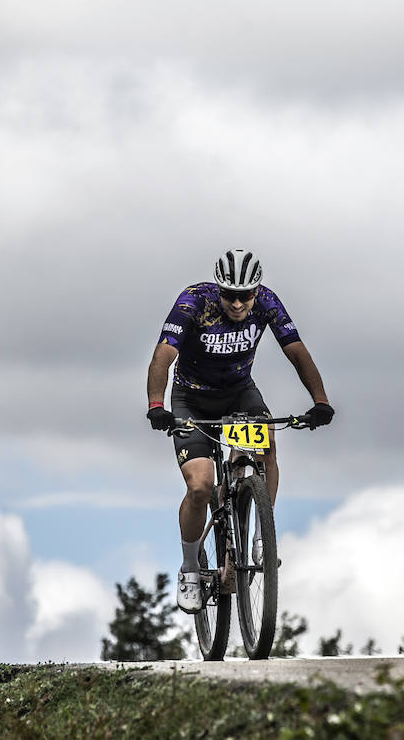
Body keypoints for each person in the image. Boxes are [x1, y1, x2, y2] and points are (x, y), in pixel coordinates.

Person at [146, 249, 334, 613]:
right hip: (192, 398)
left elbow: (296, 351)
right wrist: (157, 405)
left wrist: (320, 400)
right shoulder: (193, 302)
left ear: (255, 291)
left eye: (244, 295)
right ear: (218, 290)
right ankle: (190, 567)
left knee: (267, 449)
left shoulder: (266, 302)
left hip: (239, 392)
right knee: (200, 486)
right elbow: (163, 355)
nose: (236, 303)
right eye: (229, 294)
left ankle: (263, 536)